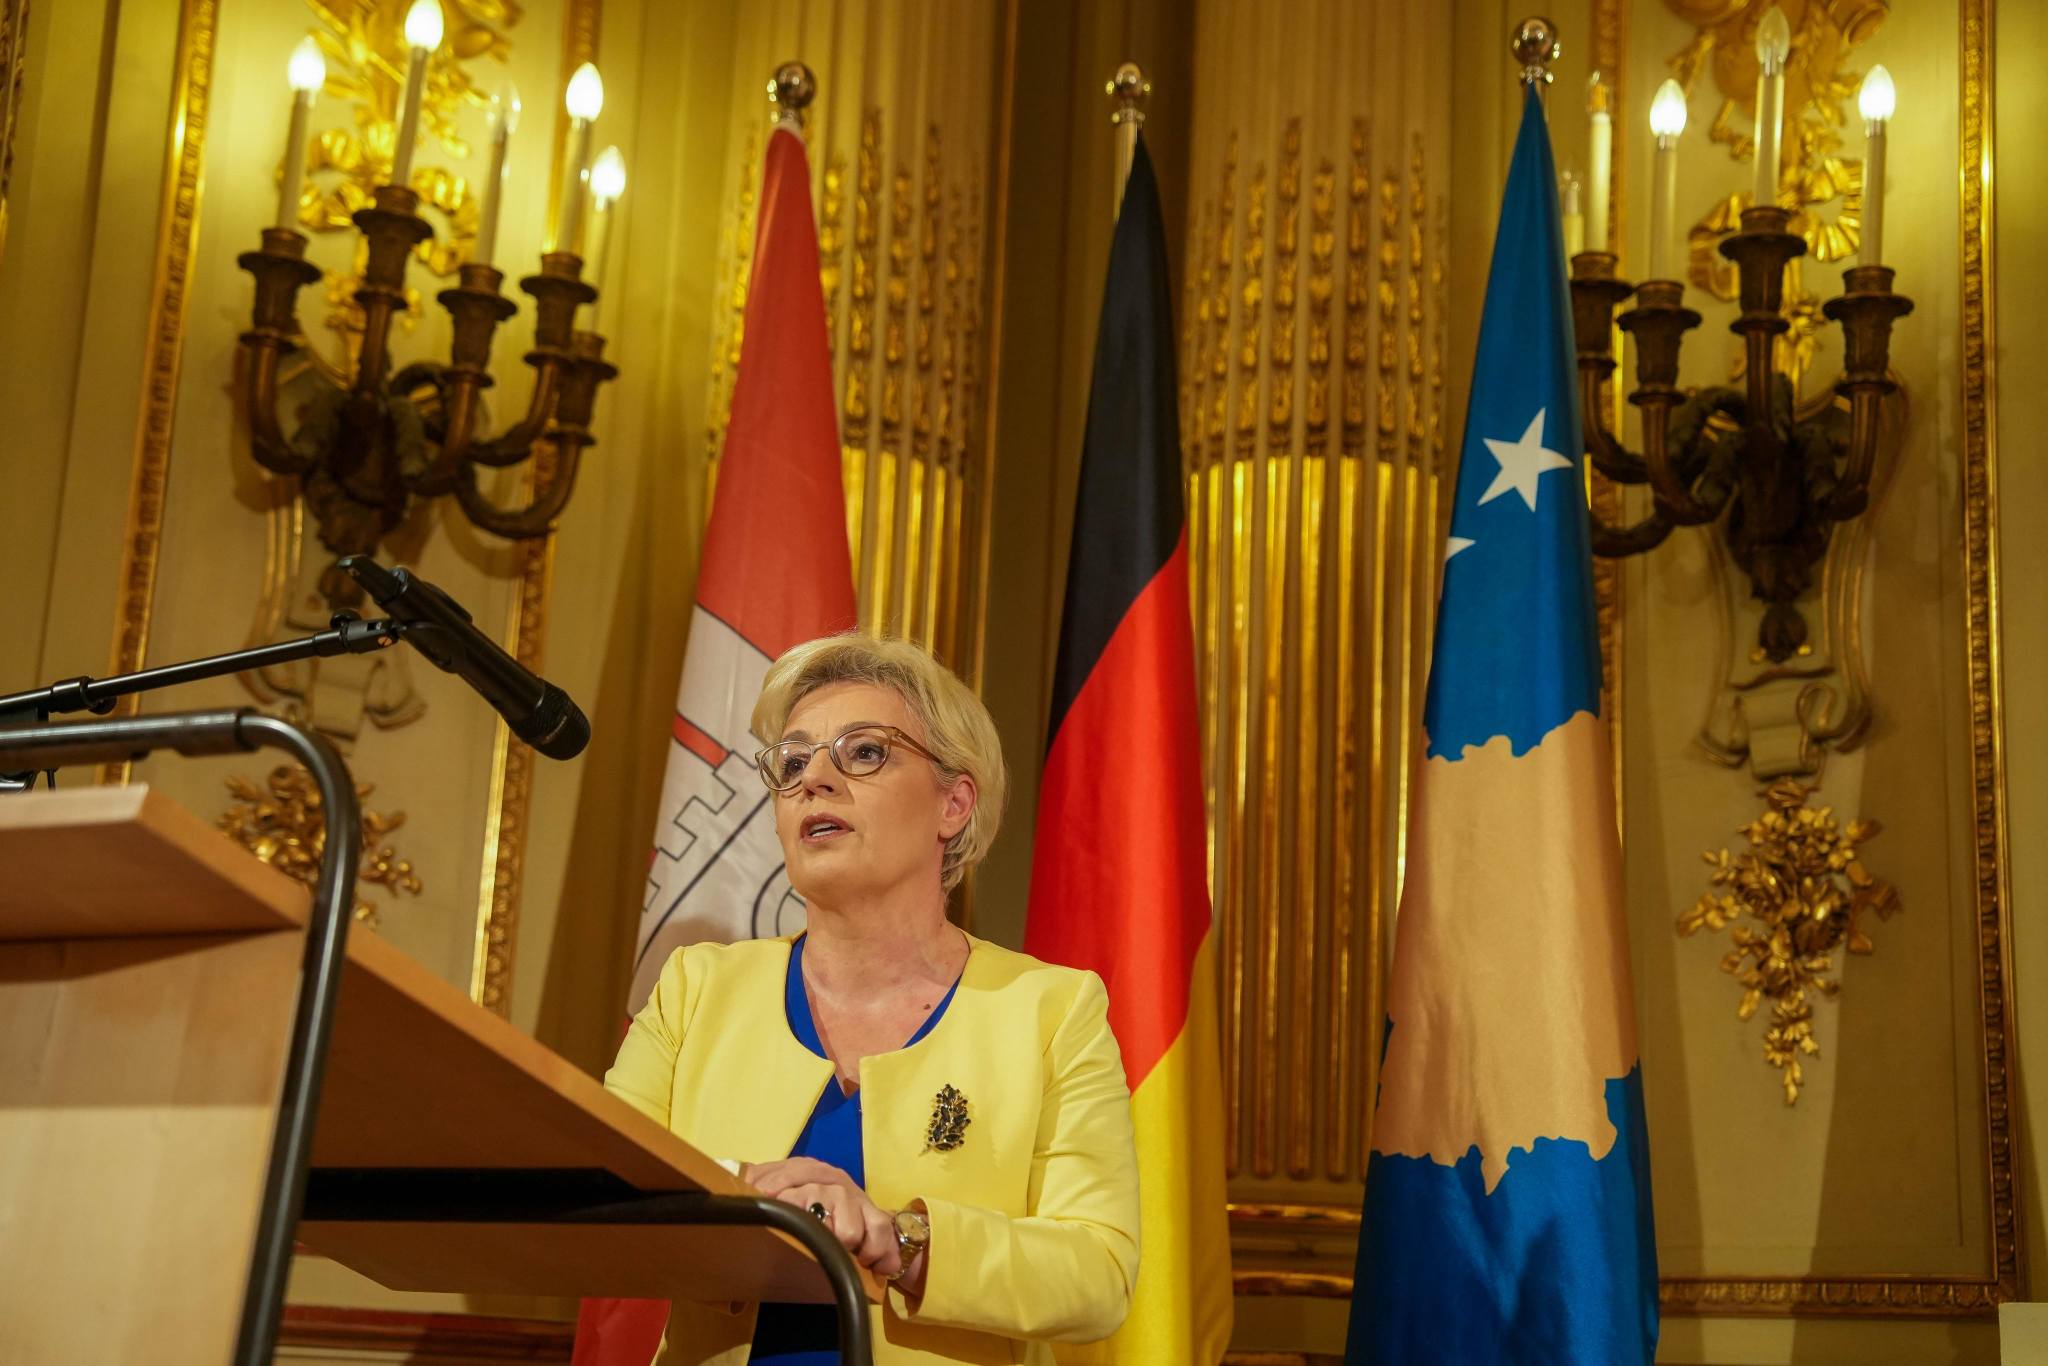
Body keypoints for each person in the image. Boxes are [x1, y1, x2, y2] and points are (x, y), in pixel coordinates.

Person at [605, 633, 1140, 1365]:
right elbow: (603, 1199)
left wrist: (900, 1240)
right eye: (792, 762)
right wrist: (745, 1201)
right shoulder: (696, 989)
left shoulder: (1050, 1010)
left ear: (954, 804)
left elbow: (1098, 1274)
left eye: (864, 752)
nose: (814, 781)